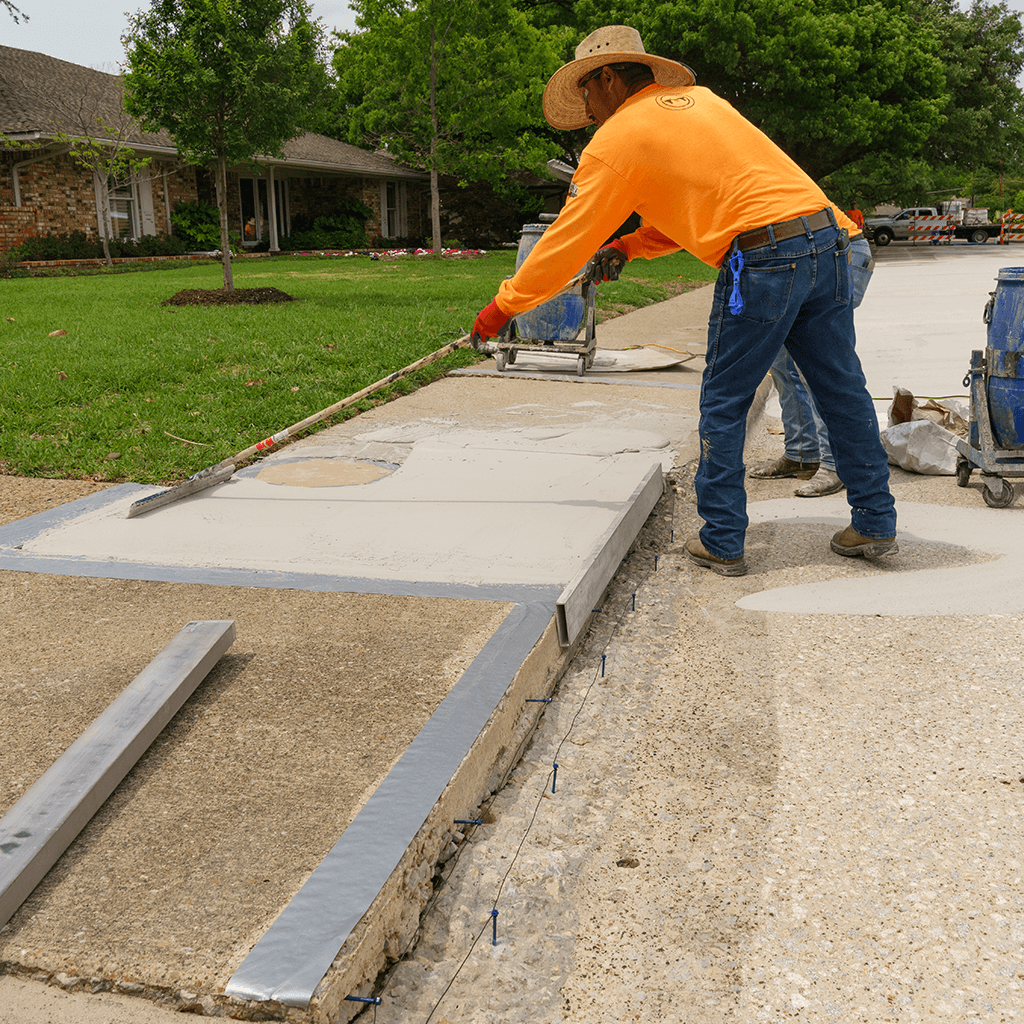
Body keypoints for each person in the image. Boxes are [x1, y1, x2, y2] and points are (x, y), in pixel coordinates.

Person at [471, 25, 897, 576]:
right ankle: (875, 522)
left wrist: (504, 306)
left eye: (586, 91)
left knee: (724, 400)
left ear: (606, 77)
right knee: (841, 389)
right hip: (828, 239)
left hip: (764, 260)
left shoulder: (619, 137)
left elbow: (566, 240)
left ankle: (721, 538)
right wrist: (629, 245)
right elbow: (710, 202)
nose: (586, 107)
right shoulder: (702, 104)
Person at [750, 233, 874, 497]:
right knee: (782, 360)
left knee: (817, 363)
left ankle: (834, 463)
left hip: (836, 249)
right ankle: (802, 453)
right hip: (799, 250)